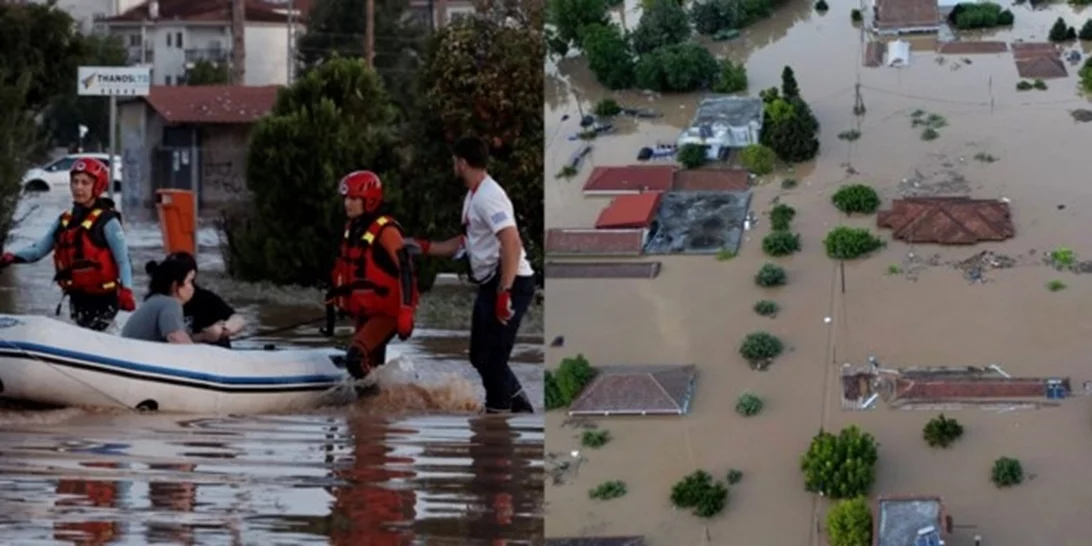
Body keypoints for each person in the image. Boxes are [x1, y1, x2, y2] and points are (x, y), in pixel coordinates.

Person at [410, 136, 536, 414]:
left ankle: (497, 421)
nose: (453, 165)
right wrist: (424, 247)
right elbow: (466, 242)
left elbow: (512, 242)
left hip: (511, 282)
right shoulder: (473, 196)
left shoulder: (489, 197)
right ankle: (519, 407)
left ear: (462, 163)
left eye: (454, 161)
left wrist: (505, 292)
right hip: (492, 283)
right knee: (479, 357)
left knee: (494, 359)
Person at [0, 157, 135, 331]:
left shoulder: (108, 221)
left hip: (105, 299)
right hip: (78, 297)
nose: (79, 187)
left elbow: (123, 260)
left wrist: (127, 291)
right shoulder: (65, 220)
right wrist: (12, 257)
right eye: (75, 182)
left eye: (85, 183)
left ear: (98, 186)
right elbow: (39, 250)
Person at [326, 170, 419, 385]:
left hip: (388, 312)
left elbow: (405, 269)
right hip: (367, 312)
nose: (347, 204)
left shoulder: (386, 231)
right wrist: (337, 297)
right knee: (367, 365)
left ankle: (375, 404)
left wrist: (406, 310)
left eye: (354, 199)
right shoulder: (354, 229)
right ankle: (374, 413)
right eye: (346, 199)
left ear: (369, 200)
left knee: (356, 359)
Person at [163, 251, 246, 347]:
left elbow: (238, 319)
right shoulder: (163, 302)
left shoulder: (205, 299)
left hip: (214, 354)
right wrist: (202, 336)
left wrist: (224, 329)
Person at [120, 254, 196, 344]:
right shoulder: (171, 304)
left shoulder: (154, 301)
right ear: (175, 285)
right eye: (189, 282)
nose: (192, 287)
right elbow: (175, 337)